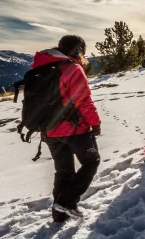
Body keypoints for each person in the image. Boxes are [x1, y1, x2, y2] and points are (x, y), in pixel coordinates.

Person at [30, 35, 101, 221]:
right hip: (73, 128)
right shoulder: (73, 68)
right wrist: (95, 123)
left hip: (49, 129)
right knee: (91, 162)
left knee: (63, 171)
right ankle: (67, 202)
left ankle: (59, 215)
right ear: (79, 50)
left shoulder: (43, 66)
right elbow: (83, 100)